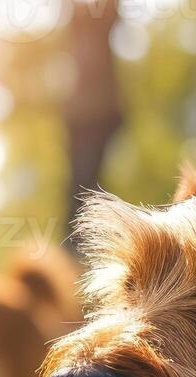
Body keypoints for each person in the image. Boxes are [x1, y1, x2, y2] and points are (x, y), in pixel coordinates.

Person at [62, 0, 123, 230]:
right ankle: (76, 237)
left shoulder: (103, 15)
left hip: (98, 113)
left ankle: (82, 236)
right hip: (81, 116)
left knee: (88, 182)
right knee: (79, 182)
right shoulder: (77, 16)